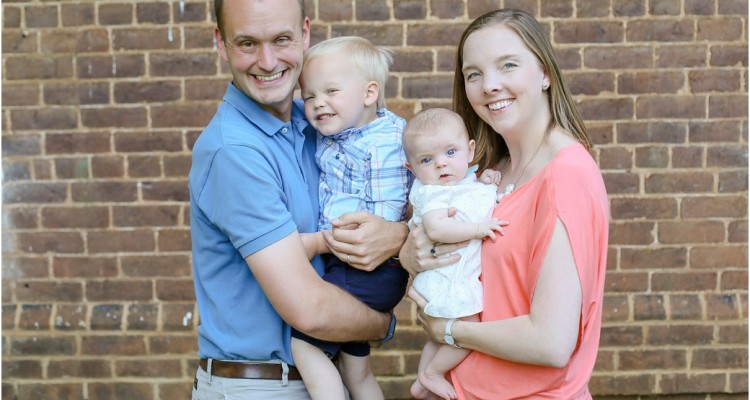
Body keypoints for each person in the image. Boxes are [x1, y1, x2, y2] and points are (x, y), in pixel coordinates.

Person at [188, 1, 408, 398]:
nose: (268, 61)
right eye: (248, 43)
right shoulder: (234, 151)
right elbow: (310, 311)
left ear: (305, 34)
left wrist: (397, 233)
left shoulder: (319, 125)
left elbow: (389, 187)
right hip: (261, 387)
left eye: (281, 39)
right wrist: (384, 325)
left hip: (318, 376)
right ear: (221, 43)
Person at [399, 9, 609, 399]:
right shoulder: (489, 173)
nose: (489, 85)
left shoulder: (566, 175)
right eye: (473, 74)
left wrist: (449, 330)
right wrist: (410, 254)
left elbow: (551, 342)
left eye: (507, 65)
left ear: (545, 73)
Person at [291, 36, 412, 400]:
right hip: (363, 269)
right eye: (309, 96)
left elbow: (374, 225)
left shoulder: (383, 144)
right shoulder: (345, 132)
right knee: (356, 371)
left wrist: (317, 243)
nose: (318, 103)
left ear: (369, 93)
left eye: (331, 91)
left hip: (366, 267)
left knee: (305, 346)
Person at [401, 108, 506, 400]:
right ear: (412, 168)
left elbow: (471, 195)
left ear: (469, 151)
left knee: (440, 337)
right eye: (427, 160)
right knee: (468, 328)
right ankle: (433, 373)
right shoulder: (431, 192)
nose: (441, 163)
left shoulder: (464, 182)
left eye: (450, 152)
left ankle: (422, 381)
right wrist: (478, 229)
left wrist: (487, 181)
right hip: (446, 278)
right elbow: (437, 228)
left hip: (451, 275)